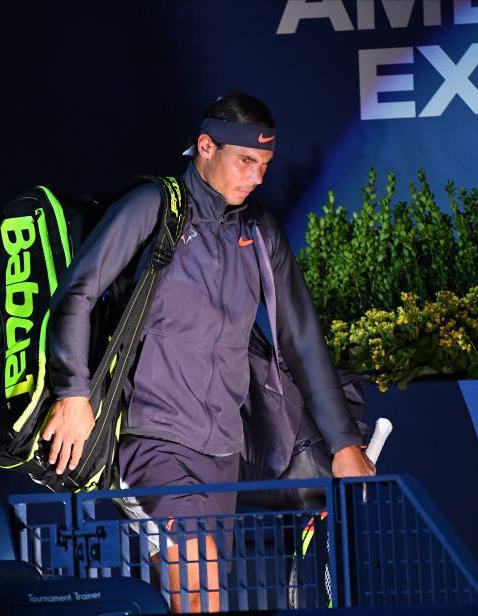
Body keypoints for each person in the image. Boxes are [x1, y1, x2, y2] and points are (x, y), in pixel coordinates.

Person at [43, 92, 375, 612]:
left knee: (202, 596)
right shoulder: (153, 206)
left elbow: (302, 339)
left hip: (224, 450)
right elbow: (76, 294)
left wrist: (343, 442)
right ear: (205, 146)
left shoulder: (260, 231)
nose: (257, 177)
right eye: (246, 160)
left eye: (264, 165)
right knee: (198, 584)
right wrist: (72, 393)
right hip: (152, 437)